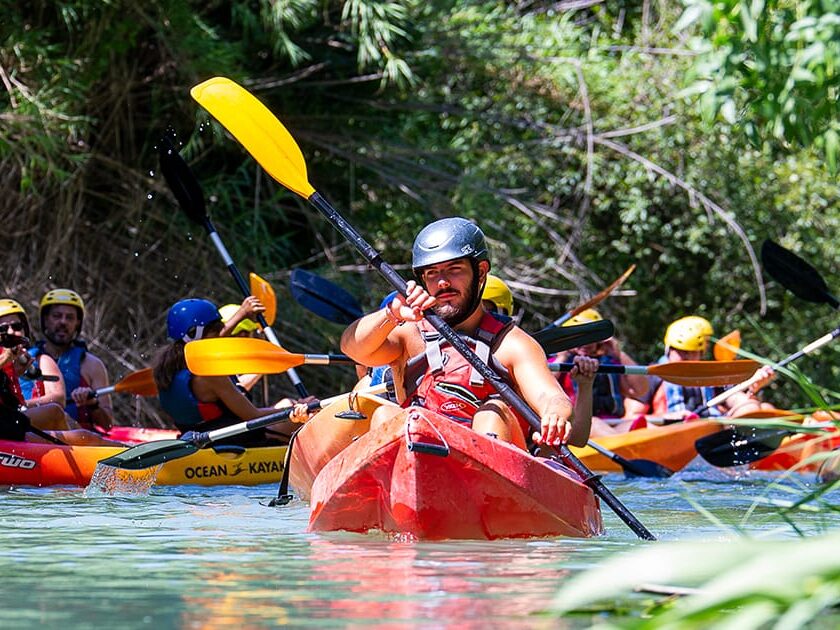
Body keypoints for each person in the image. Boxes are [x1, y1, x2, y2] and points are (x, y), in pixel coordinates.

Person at [340, 217, 595, 449]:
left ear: (481, 271)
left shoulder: (511, 343)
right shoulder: (410, 334)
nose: (442, 282)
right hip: (420, 455)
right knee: (386, 416)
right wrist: (390, 315)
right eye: (432, 273)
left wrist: (554, 415)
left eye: (454, 269)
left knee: (491, 414)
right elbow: (352, 348)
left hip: (493, 468)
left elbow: (551, 397)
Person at [153, 297, 310, 446]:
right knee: (307, 415)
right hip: (234, 441)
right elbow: (253, 415)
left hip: (199, 438)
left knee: (286, 403)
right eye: (216, 332)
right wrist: (297, 409)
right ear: (197, 335)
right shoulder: (208, 374)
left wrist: (243, 312)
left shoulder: (169, 366)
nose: (222, 341)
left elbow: (212, 341)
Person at [624, 315, 775, 421]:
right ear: (669, 349)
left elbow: (735, 398)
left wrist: (753, 386)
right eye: (682, 352)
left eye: (693, 353)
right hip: (672, 431)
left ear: (701, 353)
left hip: (709, 430)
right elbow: (631, 417)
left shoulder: (710, 375)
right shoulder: (653, 376)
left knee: (765, 407)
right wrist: (664, 417)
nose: (688, 358)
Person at [551, 309, 649, 436]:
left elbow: (640, 390)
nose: (585, 342)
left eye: (591, 337)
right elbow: (541, 387)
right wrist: (562, 356)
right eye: (579, 336)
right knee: (595, 423)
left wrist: (618, 353)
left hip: (612, 423)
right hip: (575, 427)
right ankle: (624, 450)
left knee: (643, 425)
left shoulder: (609, 363)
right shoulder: (557, 363)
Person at [35, 289, 114, 430]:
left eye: (70, 317)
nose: (63, 322)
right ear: (45, 319)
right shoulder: (25, 362)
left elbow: (107, 424)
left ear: (77, 323)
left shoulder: (92, 365)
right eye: (57, 316)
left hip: (80, 442)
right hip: (37, 438)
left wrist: (92, 404)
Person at [0, 299, 66, 409]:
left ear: (24, 330)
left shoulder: (41, 360)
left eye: (16, 326)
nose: (11, 332)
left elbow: (58, 399)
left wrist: (23, 406)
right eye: (2, 329)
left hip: (34, 418)